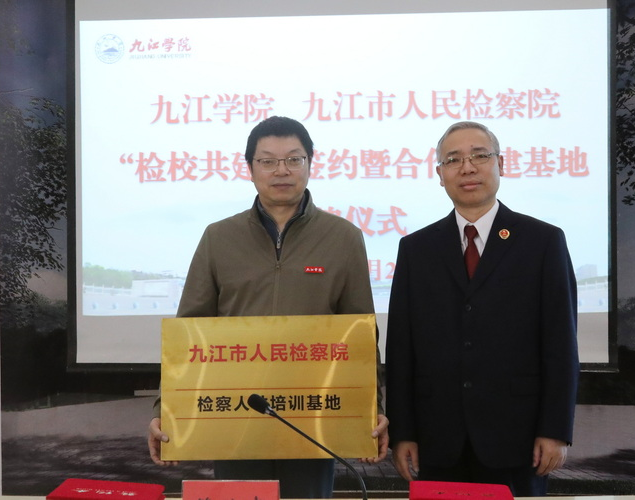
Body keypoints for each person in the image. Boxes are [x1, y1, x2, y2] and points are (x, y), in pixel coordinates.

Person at [147, 116, 388, 498]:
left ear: (310, 163)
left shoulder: (343, 237)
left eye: (293, 159)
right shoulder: (218, 237)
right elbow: (187, 333)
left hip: (313, 416)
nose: (281, 170)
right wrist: (165, 409)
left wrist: (373, 407)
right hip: (234, 414)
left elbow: (361, 335)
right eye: (268, 161)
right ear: (250, 168)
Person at [385, 121, 579, 496]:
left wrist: (556, 430)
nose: (467, 167)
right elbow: (401, 349)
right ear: (439, 174)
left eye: (479, 156)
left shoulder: (542, 241)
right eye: (453, 159)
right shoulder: (416, 249)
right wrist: (403, 432)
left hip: (519, 437)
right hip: (437, 438)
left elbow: (560, 345)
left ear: (500, 164)